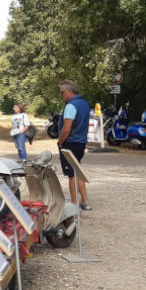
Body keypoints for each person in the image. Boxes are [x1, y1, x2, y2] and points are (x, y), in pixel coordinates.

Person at [56, 80, 91, 210]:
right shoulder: (85, 104)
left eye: (62, 92)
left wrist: (60, 142)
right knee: (78, 171)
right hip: (81, 142)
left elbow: (66, 129)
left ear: (70, 91)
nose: (61, 95)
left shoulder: (71, 106)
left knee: (71, 174)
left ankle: (74, 204)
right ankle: (85, 201)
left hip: (70, 143)